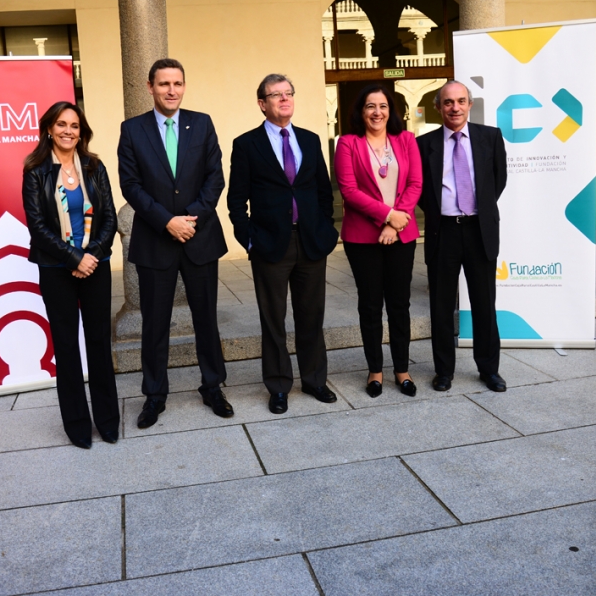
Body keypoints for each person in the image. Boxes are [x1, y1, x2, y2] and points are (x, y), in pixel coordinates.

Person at [117, 58, 233, 429]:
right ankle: (154, 395)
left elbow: (215, 178)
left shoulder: (202, 123)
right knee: (154, 324)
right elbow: (130, 185)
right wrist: (167, 221)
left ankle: (213, 386)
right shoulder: (132, 130)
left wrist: (190, 218)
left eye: (178, 83)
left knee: (206, 319)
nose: (172, 90)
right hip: (155, 240)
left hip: (199, 238)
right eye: (164, 84)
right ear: (150, 87)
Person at [228, 74, 340, 414]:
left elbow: (323, 191)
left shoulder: (310, 139)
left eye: (288, 93)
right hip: (270, 244)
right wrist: (249, 240)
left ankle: (315, 380)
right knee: (273, 319)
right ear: (262, 104)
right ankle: (278, 386)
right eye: (275, 95)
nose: (284, 99)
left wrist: (326, 230)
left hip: (310, 242)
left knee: (311, 315)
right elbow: (236, 201)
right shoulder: (246, 144)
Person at [22, 101, 119, 449]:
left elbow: (110, 218)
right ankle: (77, 424)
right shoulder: (35, 171)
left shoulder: (94, 166)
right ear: (49, 129)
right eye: (61, 124)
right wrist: (74, 258)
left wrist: (91, 255)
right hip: (56, 269)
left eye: (74, 126)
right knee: (65, 346)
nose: (68, 131)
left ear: (82, 132)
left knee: (99, 343)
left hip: (96, 265)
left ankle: (107, 420)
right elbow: (38, 226)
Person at [417, 80, 508, 393]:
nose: (454, 108)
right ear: (438, 107)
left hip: (479, 230)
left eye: (460, 101)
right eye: (447, 102)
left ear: (469, 104)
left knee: (484, 304)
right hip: (443, 231)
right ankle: (444, 371)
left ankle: (489, 370)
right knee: (441, 306)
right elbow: (421, 190)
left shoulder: (490, 137)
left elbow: (498, 180)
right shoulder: (423, 144)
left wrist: (478, 209)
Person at [334, 85, 423, 398]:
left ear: (391, 110)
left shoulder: (406, 140)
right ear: (361, 112)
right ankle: (375, 370)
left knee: (399, 304)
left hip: (401, 235)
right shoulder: (348, 143)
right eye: (370, 106)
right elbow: (349, 191)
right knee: (370, 305)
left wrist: (396, 225)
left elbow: (415, 184)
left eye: (383, 106)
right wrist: (387, 216)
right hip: (362, 237)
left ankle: (402, 370)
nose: (377, 112)